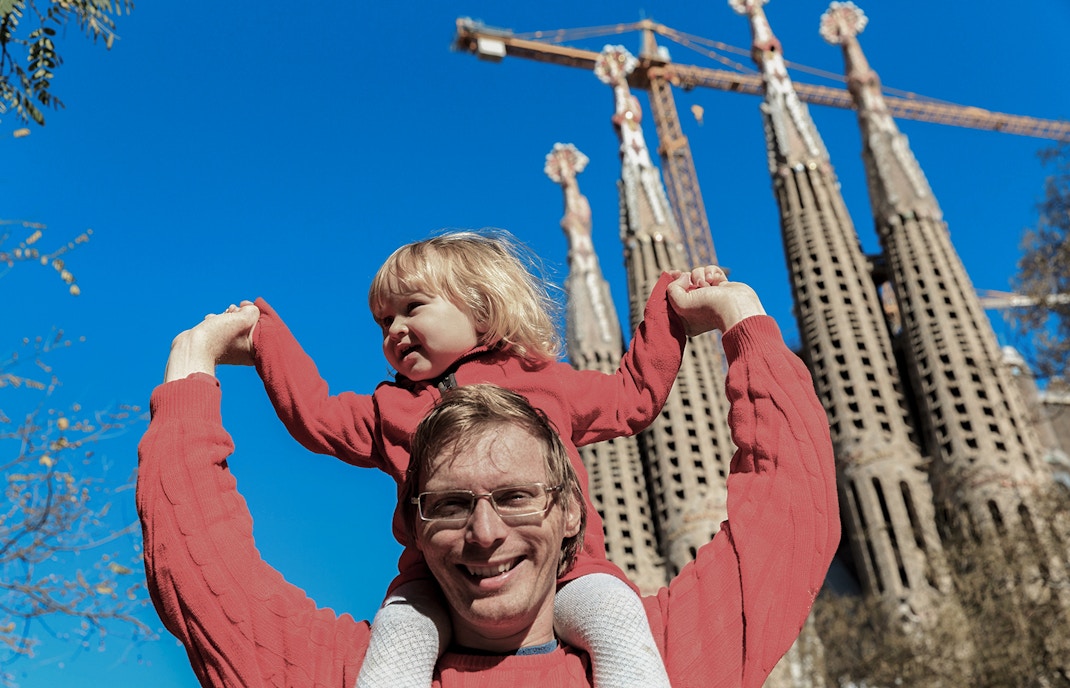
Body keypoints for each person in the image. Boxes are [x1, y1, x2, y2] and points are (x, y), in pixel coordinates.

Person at [136, 270, 840, 687]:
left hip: (595, 590)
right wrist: (198, 362)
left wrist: (731, 321)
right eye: (446, 503)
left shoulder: (670, 660)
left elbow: (789, 506)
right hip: (414, 621)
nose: (484, 532)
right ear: (410, 523)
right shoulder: (350, 672)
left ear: (571, 511)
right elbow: (199, 566)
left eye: (515, 496)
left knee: (617, 619)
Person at [241, 231, 694, 688]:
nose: (394, 329)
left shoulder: (541, 380)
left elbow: (630, 396)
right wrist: (266, 338)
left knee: (619, 619)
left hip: (570, 571)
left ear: (480, 308)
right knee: (397, 639)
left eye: (412, 307)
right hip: (436, 587)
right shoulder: (389, 409)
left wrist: (670, 308)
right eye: (383, 322)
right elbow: (315, 416)